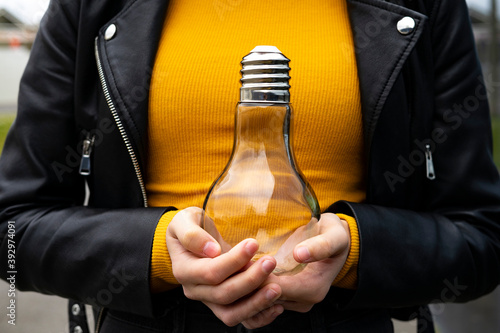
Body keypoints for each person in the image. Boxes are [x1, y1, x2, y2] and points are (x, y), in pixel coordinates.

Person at [1, 0, 499, 332]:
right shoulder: (94, 5)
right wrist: (156, 252)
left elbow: (481, 237)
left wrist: (355, 252)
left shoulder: (421, 3)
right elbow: (12, 229)